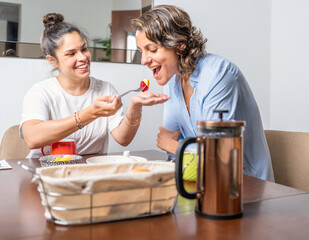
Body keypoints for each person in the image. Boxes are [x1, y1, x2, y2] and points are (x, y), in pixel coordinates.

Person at [131, 5, 274, 181]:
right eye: (141, 51)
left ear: (179, 46)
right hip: (201, 180)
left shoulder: (219, 74)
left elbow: (218, 158)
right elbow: (176, 148)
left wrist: (172, 145)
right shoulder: (173, 80)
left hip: (244, 184)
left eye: (152, 50)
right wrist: (177, 147)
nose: (144, 60)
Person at [20, 13, 169, 158]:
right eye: (71, 54)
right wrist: (91, 113)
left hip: (90, 172)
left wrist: (135, 106)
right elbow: (32, 139)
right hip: (43, 172)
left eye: (84, 49)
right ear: (52, 60)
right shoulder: (41, 92)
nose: (83, 57)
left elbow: (123, 139)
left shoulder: (105, 89)